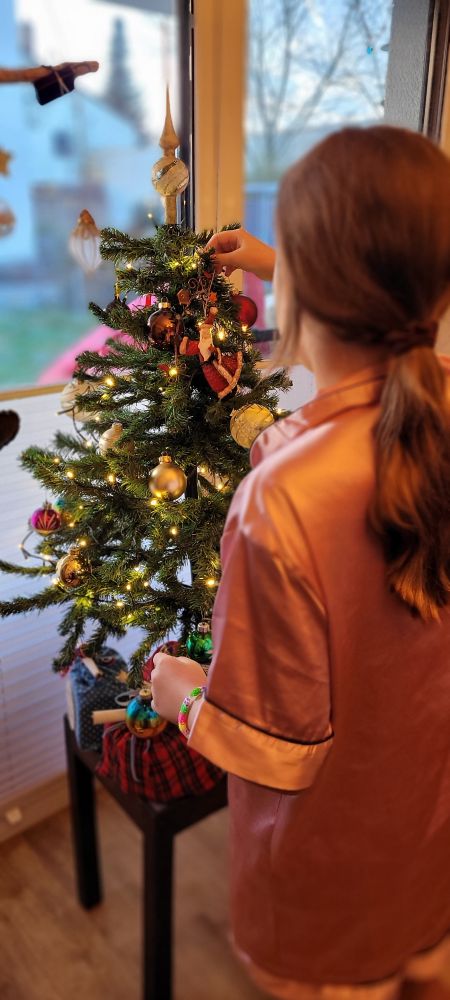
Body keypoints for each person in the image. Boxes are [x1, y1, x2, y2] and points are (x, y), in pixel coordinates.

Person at [151, 125, 450, 1000]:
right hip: (429, 839)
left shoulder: (283, 500)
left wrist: (184, 696)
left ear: (305, 291)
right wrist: (281, 261)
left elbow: (273, 746)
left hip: (331, 880)